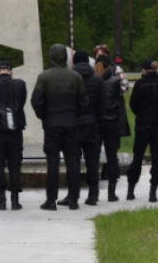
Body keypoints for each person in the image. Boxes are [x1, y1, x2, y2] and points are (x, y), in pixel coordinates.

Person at [31, 44, 89, 211]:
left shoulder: (44, 77)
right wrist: (75, 115)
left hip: (52, 126)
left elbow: (36, 101)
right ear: (65, 56)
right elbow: (84, 102)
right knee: (73, 161)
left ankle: (51, 200)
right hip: (72, 125)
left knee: (52, 163)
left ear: (51, 56)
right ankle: (73, 200)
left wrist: (44, 116)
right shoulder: (76, 77)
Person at [60, 50, 104, 206]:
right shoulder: (98, 80)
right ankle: (93, 195)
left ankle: (73, 196)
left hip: (73, 125)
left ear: (74, 62)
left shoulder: (69, 79)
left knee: (72, 161)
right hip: (92, 125)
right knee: (92, 161)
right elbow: (101, 105)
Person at [0, 62, 27, 210]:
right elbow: (22, 102)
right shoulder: (20, 84)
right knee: (15, 164)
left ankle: (1, 200)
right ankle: (15, 200)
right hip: (15, 130)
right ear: (11, 71)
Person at [127, 60, 158, 203]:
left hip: (143, 124)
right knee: (156, 159)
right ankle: (153, 192)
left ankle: (131, 189)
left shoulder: (140, 84)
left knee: (138, 157)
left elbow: (133, 104)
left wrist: (141, 114)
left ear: (144, 70)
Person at [95, 55, 123, 202]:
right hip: (112, 122)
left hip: (97, 122)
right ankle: (112, 191)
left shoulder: (94, 80)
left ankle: (94, 193)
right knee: (112, 157)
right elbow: (118, 102)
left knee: (94, 157)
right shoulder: (115, 82)